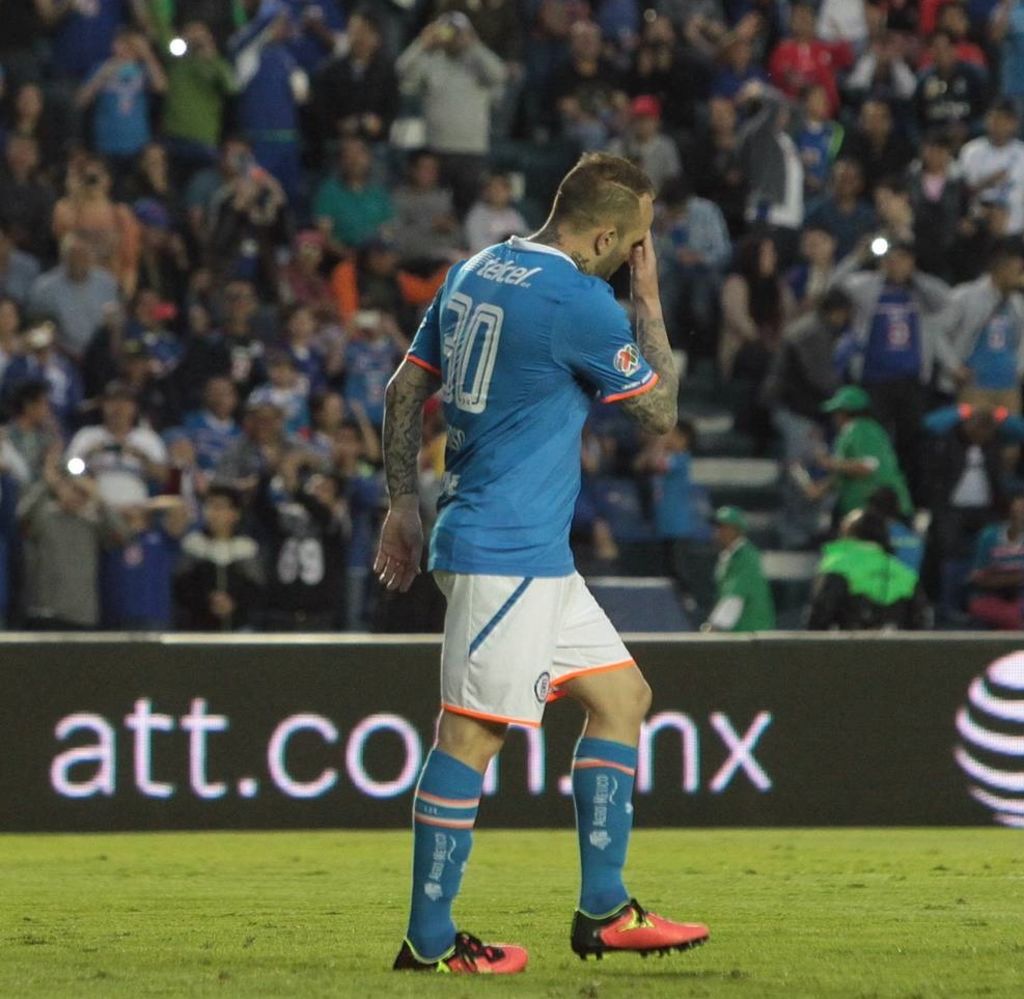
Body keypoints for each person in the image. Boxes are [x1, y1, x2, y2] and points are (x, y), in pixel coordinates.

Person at [375, 153, 707, 973]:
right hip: (503, 552)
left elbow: (402, 392)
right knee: (472, 734)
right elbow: (660, 413)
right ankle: (428, 942)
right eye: (632, 242)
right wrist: (649, 299)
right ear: (603, 235)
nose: (632, 254)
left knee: (622, 695)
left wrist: (401, 506)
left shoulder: (474, 269)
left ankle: (604, 907)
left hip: (529, 557)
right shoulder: (581, 302)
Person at [938, 239, 1024, 412]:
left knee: (1009, 437)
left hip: (1008, 387)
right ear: (1002, 265)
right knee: (976, 436)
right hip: (975, 387)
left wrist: (1020, 368)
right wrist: (954, 367)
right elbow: (938, 332)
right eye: (1019, 270)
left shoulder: (1017, 303)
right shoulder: (965, 296)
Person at [804, 385, 913, 521]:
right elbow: (846, 472)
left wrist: (828, 463)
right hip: (865, 513)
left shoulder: (861, 429)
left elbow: (867, 466)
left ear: (844, 413)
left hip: (883, 513)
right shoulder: (861, 431)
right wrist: (822, 488)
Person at [806, 508, 928, 631]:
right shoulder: (905, 573)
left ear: (846, 532)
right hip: (895, 647)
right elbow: (920, 623)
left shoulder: (837, 565)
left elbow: (819, 617)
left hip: (846, 646)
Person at [174, 484, 265, 630]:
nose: (213, 513)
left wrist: (234, 602)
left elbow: (257, 590)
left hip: (240, 628)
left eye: (219, 507)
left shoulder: (246, 547)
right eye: (209, 506)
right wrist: (208, 599)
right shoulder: (193, 544)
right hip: (200, 629)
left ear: (235, 514)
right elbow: (182, 588)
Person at [701, 505, 775, 632]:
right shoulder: (729, 556)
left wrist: (715, 627)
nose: (717, 532)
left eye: (722, 527)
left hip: (751, 634)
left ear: (736, 530)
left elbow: (734, 598)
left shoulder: (745, 557)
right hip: (739, 633)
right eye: (716, 527)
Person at [967, 490, 1024, 629]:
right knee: (980, 607)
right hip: (992, 596)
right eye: (1017, 510)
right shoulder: (990, 536)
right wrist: (1013, 578)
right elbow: (978, 576)